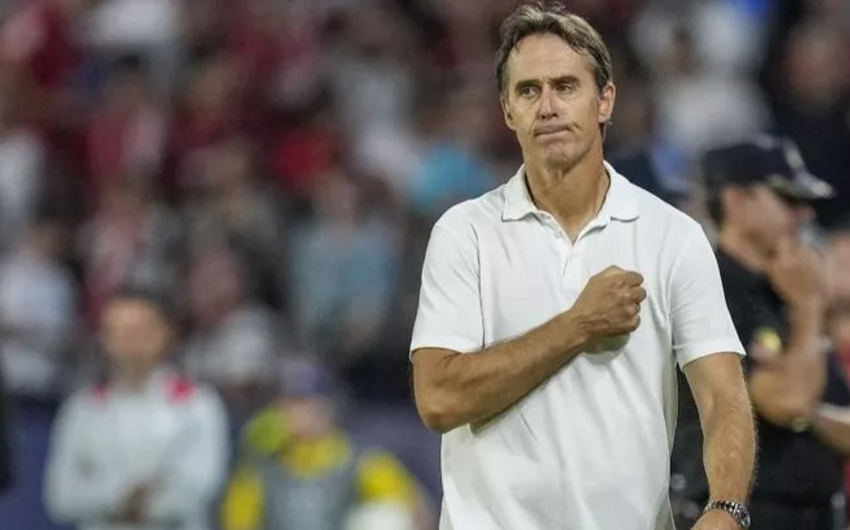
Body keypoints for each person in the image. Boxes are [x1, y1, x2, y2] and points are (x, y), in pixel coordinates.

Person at [409, 3, 756, 530]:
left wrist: (726, 509)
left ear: (605, 100)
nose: (548, 106)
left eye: (566, 86)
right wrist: (577, 325)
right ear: (507, 111)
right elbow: (438, 398)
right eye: (528, 91)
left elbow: (723, 396)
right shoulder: (465, 234)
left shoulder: (672, 236)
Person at [694, 136, 850, 530]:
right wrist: (809, 310)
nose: (804, 214)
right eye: (788, 200)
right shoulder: (709, 291)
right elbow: (791, 401)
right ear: (735, 201)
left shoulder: (786, 287)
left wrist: (810, 410)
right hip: (749, 516)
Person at [44, 287, 230, 530]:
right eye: (115, 332)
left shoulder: (196, 404)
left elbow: (199, 488)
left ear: (165, 333)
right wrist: (125, 495)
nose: (127, 343)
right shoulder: (82, 408)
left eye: (137, 331)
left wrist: (99, 490)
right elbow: (61, 497)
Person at [221, 357, 432, 530]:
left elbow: (415, 509)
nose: (296, 412)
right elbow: (238, 522)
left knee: (383, 519)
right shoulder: (260, 464)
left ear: (327, 407)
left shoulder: (356, 458)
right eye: (289, 402)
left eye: (305, 402)